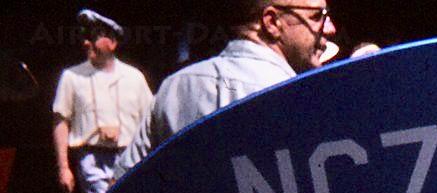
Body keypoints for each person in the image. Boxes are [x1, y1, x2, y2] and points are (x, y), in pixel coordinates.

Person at [115, 0, 338, 178]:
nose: (330, 28)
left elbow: (120, 190)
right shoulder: (300, 99)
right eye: (317, 16)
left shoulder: (174, 87)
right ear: (272, 22)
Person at [51, 10, 151, 193]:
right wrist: (63, 167)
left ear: (112, 42)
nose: (86, 43)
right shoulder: (72, 77)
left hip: (130, 158)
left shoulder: (134, 77)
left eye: (93, 37)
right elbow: (60, 121)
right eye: (85, 37)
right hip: (93, 160)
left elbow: (150, 121)